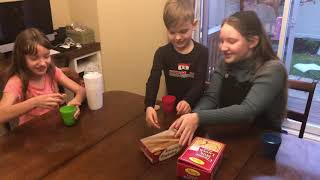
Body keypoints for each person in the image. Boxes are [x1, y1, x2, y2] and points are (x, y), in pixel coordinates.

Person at [170, 11, 288, 146]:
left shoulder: (273, 69)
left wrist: (198, 117)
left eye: (231, 41)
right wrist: (191, 118)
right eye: (221, 41)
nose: (223, 47)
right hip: (230, 134)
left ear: (253, 41)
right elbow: (211, 98)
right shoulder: (225, 62)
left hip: (262, 142)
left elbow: (247, 111)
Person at [0, 28, 86, 125]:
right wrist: (35, 102)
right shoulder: (16, 82)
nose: (43, 63)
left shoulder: (52, 71)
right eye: (34, 58)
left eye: (46, 56)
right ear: (21, 59)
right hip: (30, 133)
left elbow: (81, 90)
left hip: (53, 127)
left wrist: (75, 102)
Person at [145, 0, 208, 129]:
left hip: (196, 112)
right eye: (172, 32)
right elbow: (153, 80)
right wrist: (149, 105)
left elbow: (199, 83)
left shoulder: (202, 52)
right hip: (172, 111)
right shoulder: (162, 53)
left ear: (194, 24)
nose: (178, 37)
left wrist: (187, 100)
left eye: (183, 31)